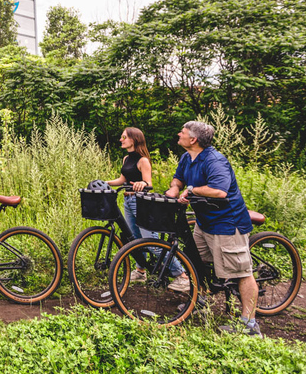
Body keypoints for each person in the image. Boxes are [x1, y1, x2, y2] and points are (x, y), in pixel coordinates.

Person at [165, 121, 261, 337]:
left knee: (242, 273)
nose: (179, 133)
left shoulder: (215, 160)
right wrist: (174, 188)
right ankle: (199, 301)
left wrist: (190, 190)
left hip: (227, 223)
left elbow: (219, 191)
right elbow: (178, 178)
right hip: (204, 222)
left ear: (193, 139)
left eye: (182, 131)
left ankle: (250, 325)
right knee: (195, 261)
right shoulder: (187, 157)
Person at [107, 127, 189, 292]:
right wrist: (104, 182)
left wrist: (142, 184)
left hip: (140, 202)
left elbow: (148, 183)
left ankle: (182, 276)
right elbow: (123, 179)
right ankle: (141, 271)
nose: (121, 139)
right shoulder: (126, 159)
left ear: (134, 139)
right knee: (134, 240)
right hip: (127, 201)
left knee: (152, 242)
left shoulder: (143, 160)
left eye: (124, 137)